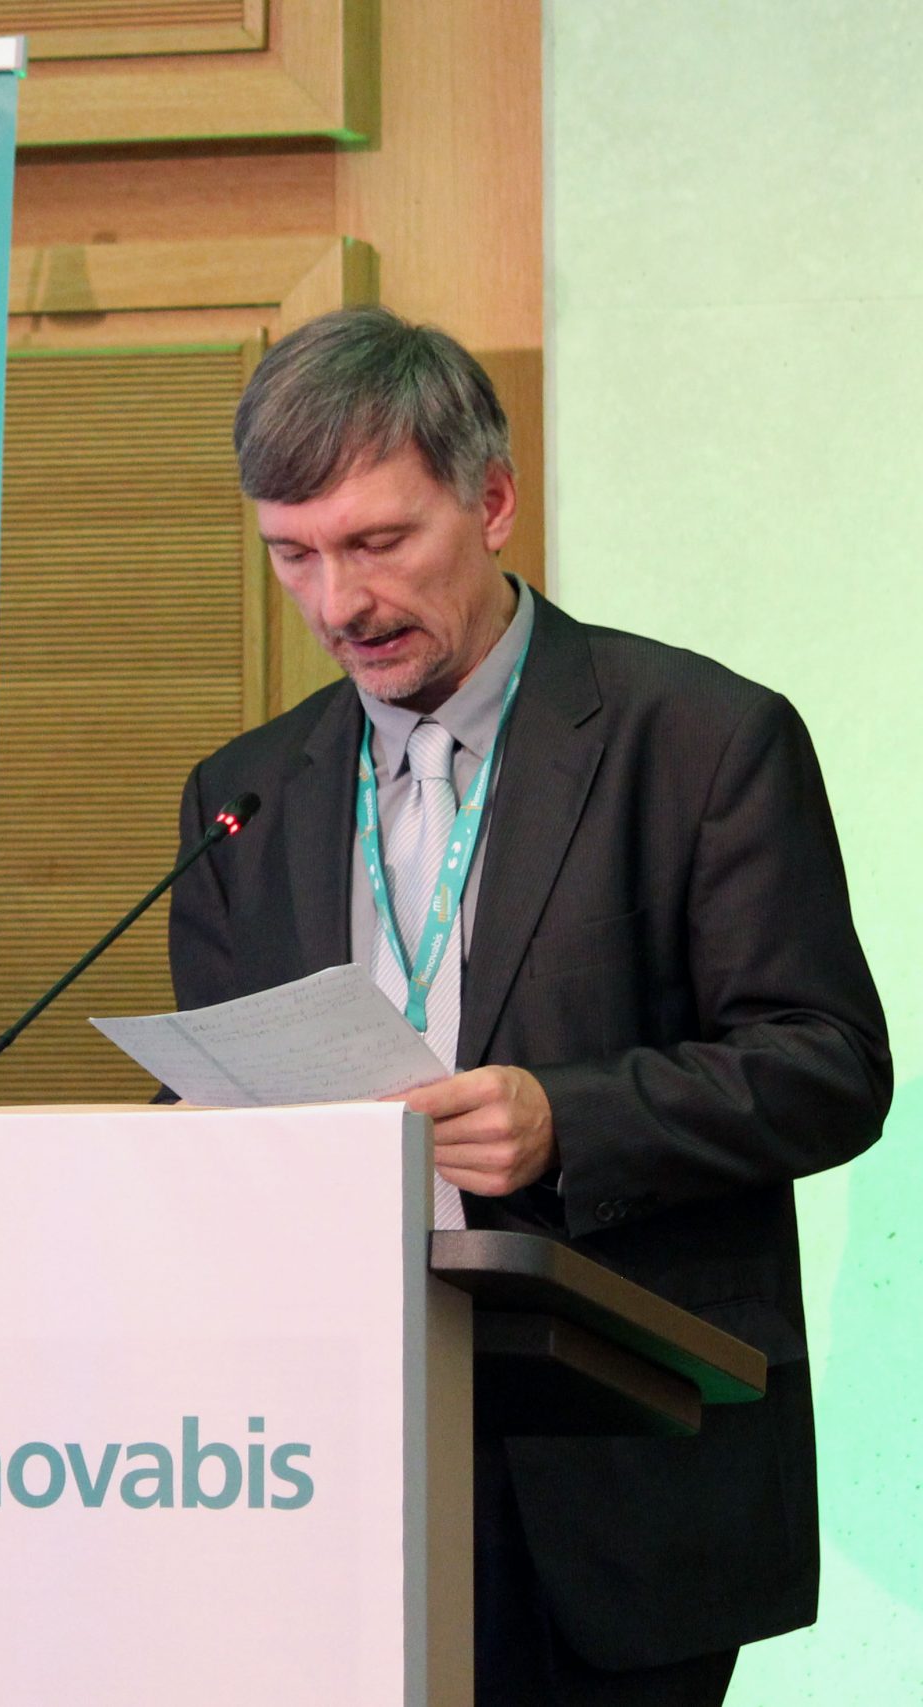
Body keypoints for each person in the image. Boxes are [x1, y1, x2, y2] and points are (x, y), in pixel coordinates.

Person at [165, 307, 892, 1705]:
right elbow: (225, 1087)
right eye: (294, 555)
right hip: (318, 1468)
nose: (338, 603)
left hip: (616, 1462)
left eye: (379, 542)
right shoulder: (243, 794)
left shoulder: (702, 741)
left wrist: (569, 1119)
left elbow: (828, 1066)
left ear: (493, 501)